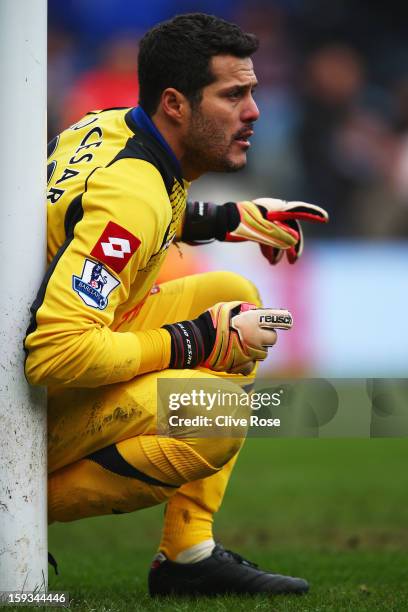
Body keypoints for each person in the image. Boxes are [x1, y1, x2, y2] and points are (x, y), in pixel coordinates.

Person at [25, 13, 327, 597]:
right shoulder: (134, 197)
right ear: (175, 104)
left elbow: (98, 218)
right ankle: (15, 507)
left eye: (253, 92)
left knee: (233, 296)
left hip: (27, 369)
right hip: (25, 394)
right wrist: (197, 340)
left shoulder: (106, 128)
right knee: (217, 412)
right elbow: (55, 353)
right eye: (233, 94)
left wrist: (228, 217)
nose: (254, 111)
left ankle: (188, 554)